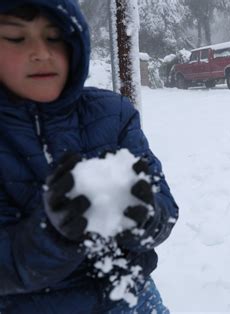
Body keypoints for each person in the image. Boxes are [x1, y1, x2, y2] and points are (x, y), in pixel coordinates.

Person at [0, 1, 178, 313]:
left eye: (54, 37)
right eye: (16, 38)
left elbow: (166, 207)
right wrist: (54, 234)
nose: (41, 52)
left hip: (131, 297)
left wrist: (146, 215)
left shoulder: (113, 114)